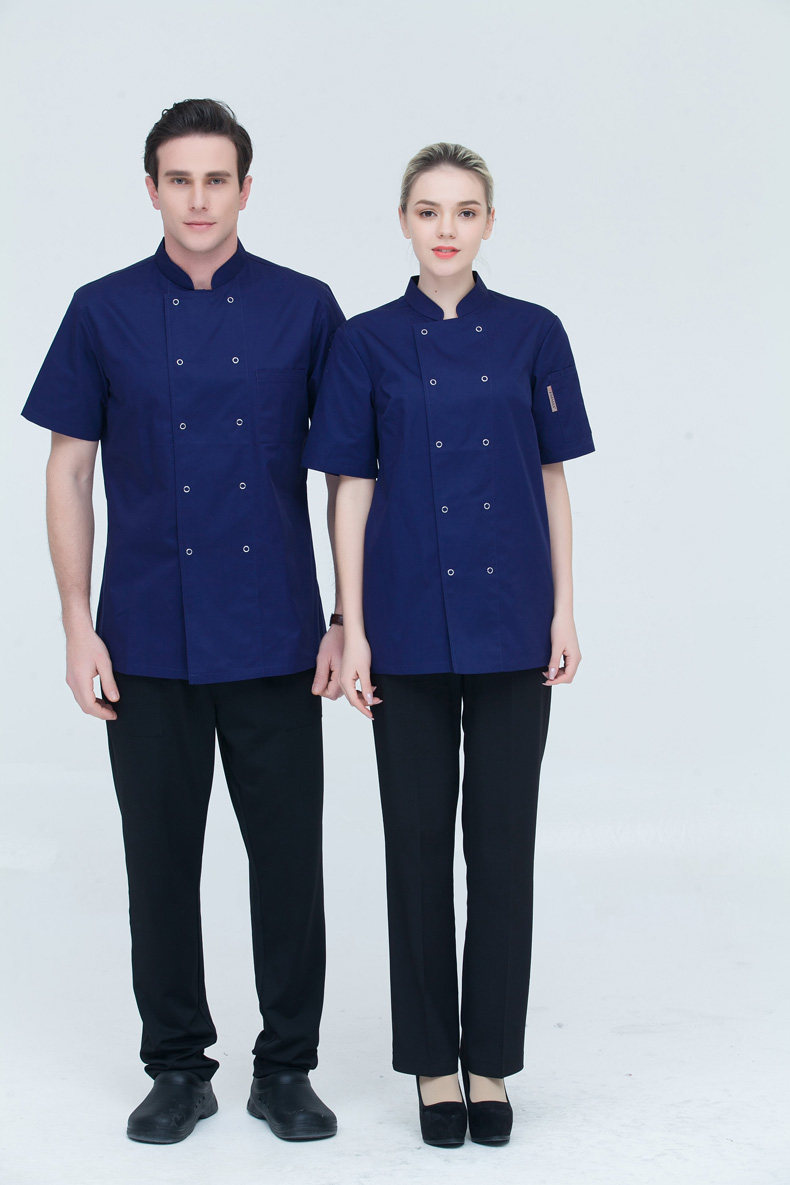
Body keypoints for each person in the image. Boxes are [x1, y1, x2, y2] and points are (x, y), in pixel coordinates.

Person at [22, 99, 345, 1145]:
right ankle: (176, 1067)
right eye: (179, 179)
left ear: (245, 190)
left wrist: (346, 616)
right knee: (158, 862)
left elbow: (350, 471)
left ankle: (286, 1068)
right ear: (152, 189)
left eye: (216, 180)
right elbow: (69, 473)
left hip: (277, 631)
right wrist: (76, 623)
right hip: (146, 633)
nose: (198, 200)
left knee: (287, 864)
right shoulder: (102, 309)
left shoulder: (305, 307)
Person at [303, 142, 594, 1148]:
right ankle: (433, 1060)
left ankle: (491, 1061)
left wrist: (563, 609)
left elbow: (552, 480)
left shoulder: (534, 332)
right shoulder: (366, 342)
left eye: (465, 211)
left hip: (514, 620)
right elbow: (349, 490)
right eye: (428, 210)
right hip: (404, 623)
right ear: (403, 221)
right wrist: (353, 628)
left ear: (488, 224)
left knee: (502, 847)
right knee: (418, 847)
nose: (446, 228)